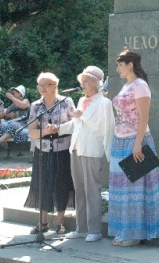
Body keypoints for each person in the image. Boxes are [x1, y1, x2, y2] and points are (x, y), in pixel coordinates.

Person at [108, 50, 159, 246]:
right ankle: (125, 231)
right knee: (122, 189)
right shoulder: (127, 86)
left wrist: (138, 144)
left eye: (120, 65)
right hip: (121, 140)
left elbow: (144, 117)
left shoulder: (140, 86)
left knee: (135, 188)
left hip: (135, 140)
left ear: (130, 64)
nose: (118, 69)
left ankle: (134, 234)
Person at [58, 66, 115, 242]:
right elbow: (76, 123)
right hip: (76, 148)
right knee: (79, 190)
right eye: (82, 80)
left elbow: (103, 127)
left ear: (97, 84)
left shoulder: (104, 103)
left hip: (91, 149)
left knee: (92, 190)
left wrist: (81, 116)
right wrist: (58, 129)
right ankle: (81, 228)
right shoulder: (82, 100)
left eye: (87, 80)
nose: (83, 84)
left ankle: (95, 230)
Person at [24, 72, 76, 235]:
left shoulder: (66, 102)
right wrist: (45, 132)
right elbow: (31, 132)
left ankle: (60, 223)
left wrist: (60, 129)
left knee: (62, 184)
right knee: (42, 185)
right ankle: (43, 222)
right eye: (40, 85)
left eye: (46, 84)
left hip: (62, 150)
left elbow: (76, 125)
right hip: (43, 151)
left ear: (55, 86)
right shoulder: (36, 106)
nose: (42, 88)